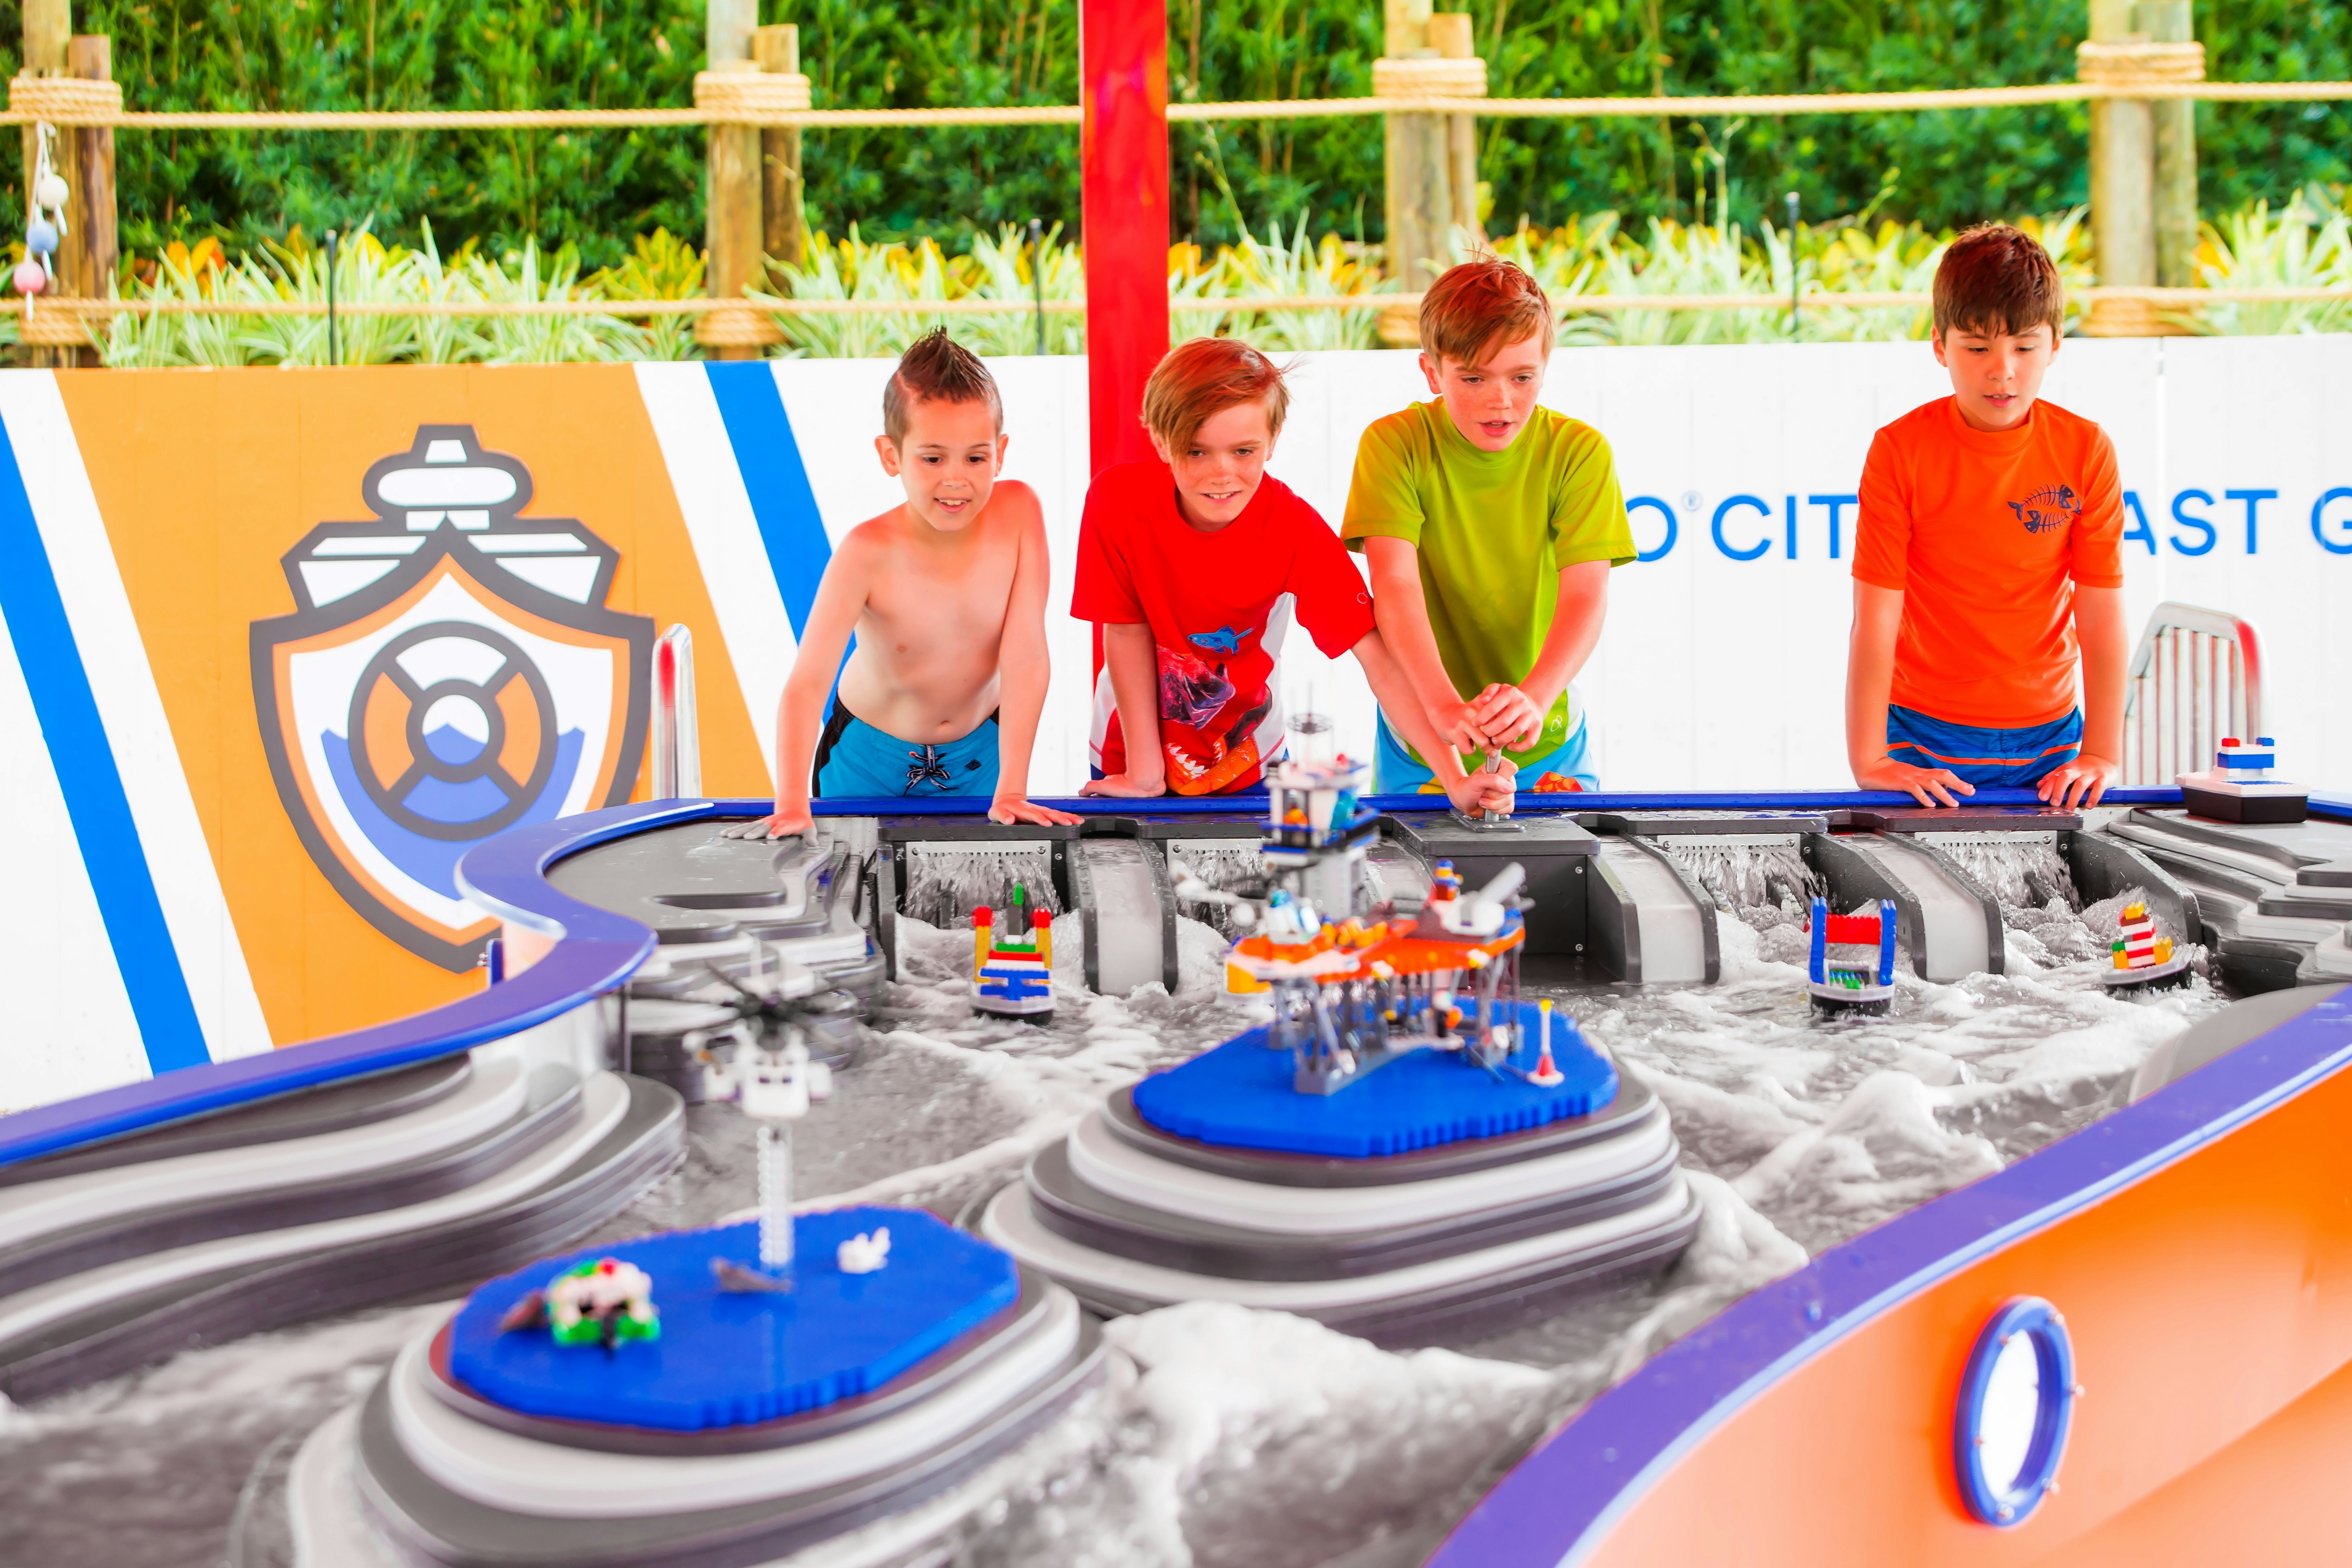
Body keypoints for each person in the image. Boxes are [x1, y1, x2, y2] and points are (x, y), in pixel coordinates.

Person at [1074, 335, 1513, 816]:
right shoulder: (1116, 502)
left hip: (1248, 761)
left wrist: (1453, 779)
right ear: (1160, 439)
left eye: (1243, 451)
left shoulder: (1293, 529)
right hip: (1126, 748)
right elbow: (1125, 630)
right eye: (1196, 452)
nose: (1221, 473)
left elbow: (1380, 661)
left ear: (1272, 441)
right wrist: (1144, 771)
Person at [733, 330, 1077, 839]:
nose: (955, 479)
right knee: (852, 884)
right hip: (865, 759)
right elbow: (807, 684)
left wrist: (1012, 787)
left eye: (975, 458)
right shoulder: (865, 551)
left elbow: (1025, 655)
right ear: (891, 454)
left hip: (979, 754)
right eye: (932, 459)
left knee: (982, 889)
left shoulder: (1020, 513)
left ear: (1000, 452)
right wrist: (789, 803)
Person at [1846, 223, 2125, 812]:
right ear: (1939, 345)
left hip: (2053, 740)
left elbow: (2099, 613)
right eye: (1977, 348)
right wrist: (1868, 758)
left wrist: (2101, 751)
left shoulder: (2086, 449)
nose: (2002, 371)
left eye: (2024, 347)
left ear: (2055, 344)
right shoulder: (1899, 450)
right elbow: (1875, 618)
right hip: (1921, 736)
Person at [1342, 256, 1634, 795]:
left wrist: (1534, 700)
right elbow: (1394, 583)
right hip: (1421, 739)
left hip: (1546, 741)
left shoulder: (1579, 452)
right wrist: (1441, 707)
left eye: (1521, 378)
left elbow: (1585, 594)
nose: (1500, 401)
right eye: (1473, 377)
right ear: (1432, 372)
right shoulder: (1393, 445)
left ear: (1545, 366)